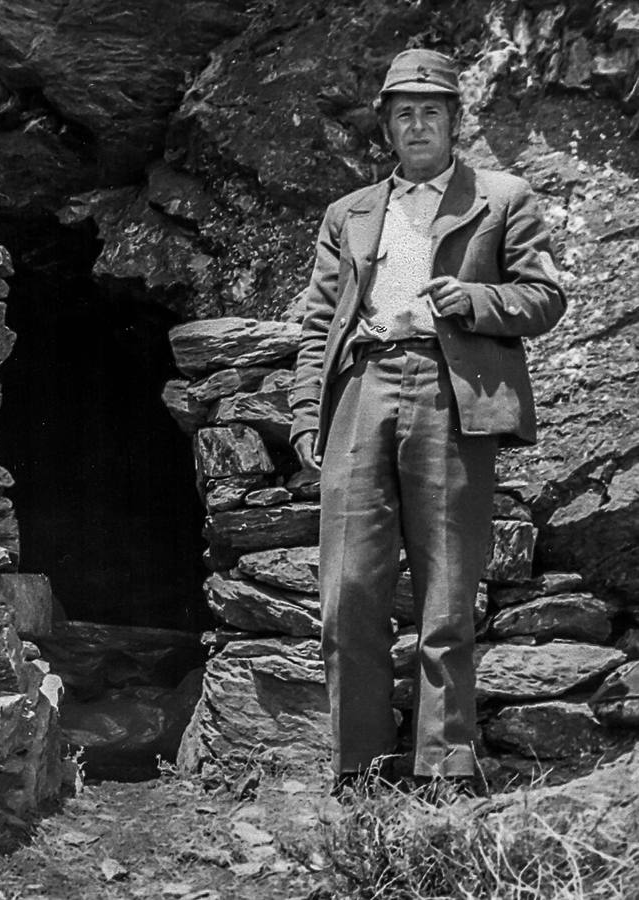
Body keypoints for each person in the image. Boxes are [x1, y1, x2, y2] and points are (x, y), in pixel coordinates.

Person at [288, 49, 566, 797]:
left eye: (431, 112)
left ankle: (445, 771)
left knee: (446, 590)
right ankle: (360, 769)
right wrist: (307, 412)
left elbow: (544, 297)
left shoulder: (502, 198)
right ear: (386, 126)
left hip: (450, 391)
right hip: (361, 388)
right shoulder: (349, 212)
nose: (417, 125)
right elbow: (319, 322)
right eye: (404, 113)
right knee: (348, 588)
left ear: (454, 121)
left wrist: (473, 300)